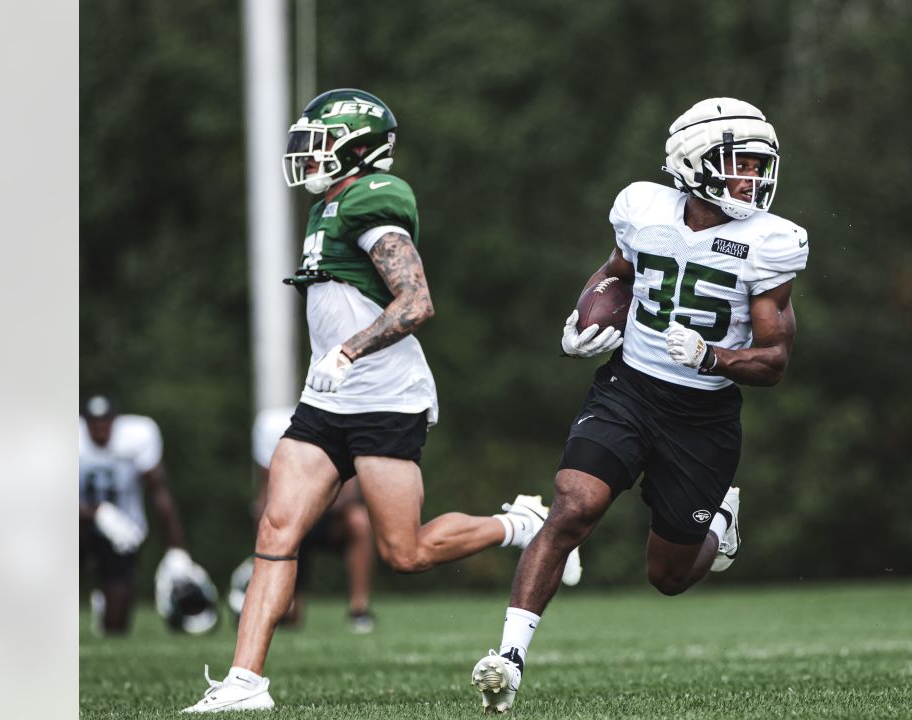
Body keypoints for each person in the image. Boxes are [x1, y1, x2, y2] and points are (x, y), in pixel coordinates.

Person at [183, 88, 580, 713]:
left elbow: (416, 302)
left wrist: (347, 351)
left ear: (359, 150)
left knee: (407, 552)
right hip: (326, 400)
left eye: (319, 145)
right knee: (277, 528)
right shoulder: (328, 207)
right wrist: (332, 366)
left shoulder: (373, 201)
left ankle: (520, 526)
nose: (308, 158)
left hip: (384, 399)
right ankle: (245, 681)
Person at [470, 97, 808, 714]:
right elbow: (617, 272)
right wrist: (583, 317)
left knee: (668, 576)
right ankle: (510, 657)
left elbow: (775, 361)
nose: (753, 179)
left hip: (703, 417)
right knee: (575, 503)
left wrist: (712, 357)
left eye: (760, 167)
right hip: (629, 387)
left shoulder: (771, 243)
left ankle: (720, 529)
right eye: (741, 165)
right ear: (695, 162)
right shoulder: (643, 208)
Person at [226, 407, 377, 633]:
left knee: (359, 521)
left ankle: (359, 609)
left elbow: (349, 494)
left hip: (325, 516)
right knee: (289, 618)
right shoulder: (276, 432)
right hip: (293, 521)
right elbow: (265, 492)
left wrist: (308, 504)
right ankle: (283, 602)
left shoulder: (337, 425)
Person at [79, 394, 215, 635]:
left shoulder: (138, 437)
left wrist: (176, 549)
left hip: (122, 532)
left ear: (115, 421)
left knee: (115, 627)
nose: (100, 429)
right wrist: (96, 513)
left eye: (105, 422)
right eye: (93, 423)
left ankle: (105, 601)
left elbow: (159, 492)